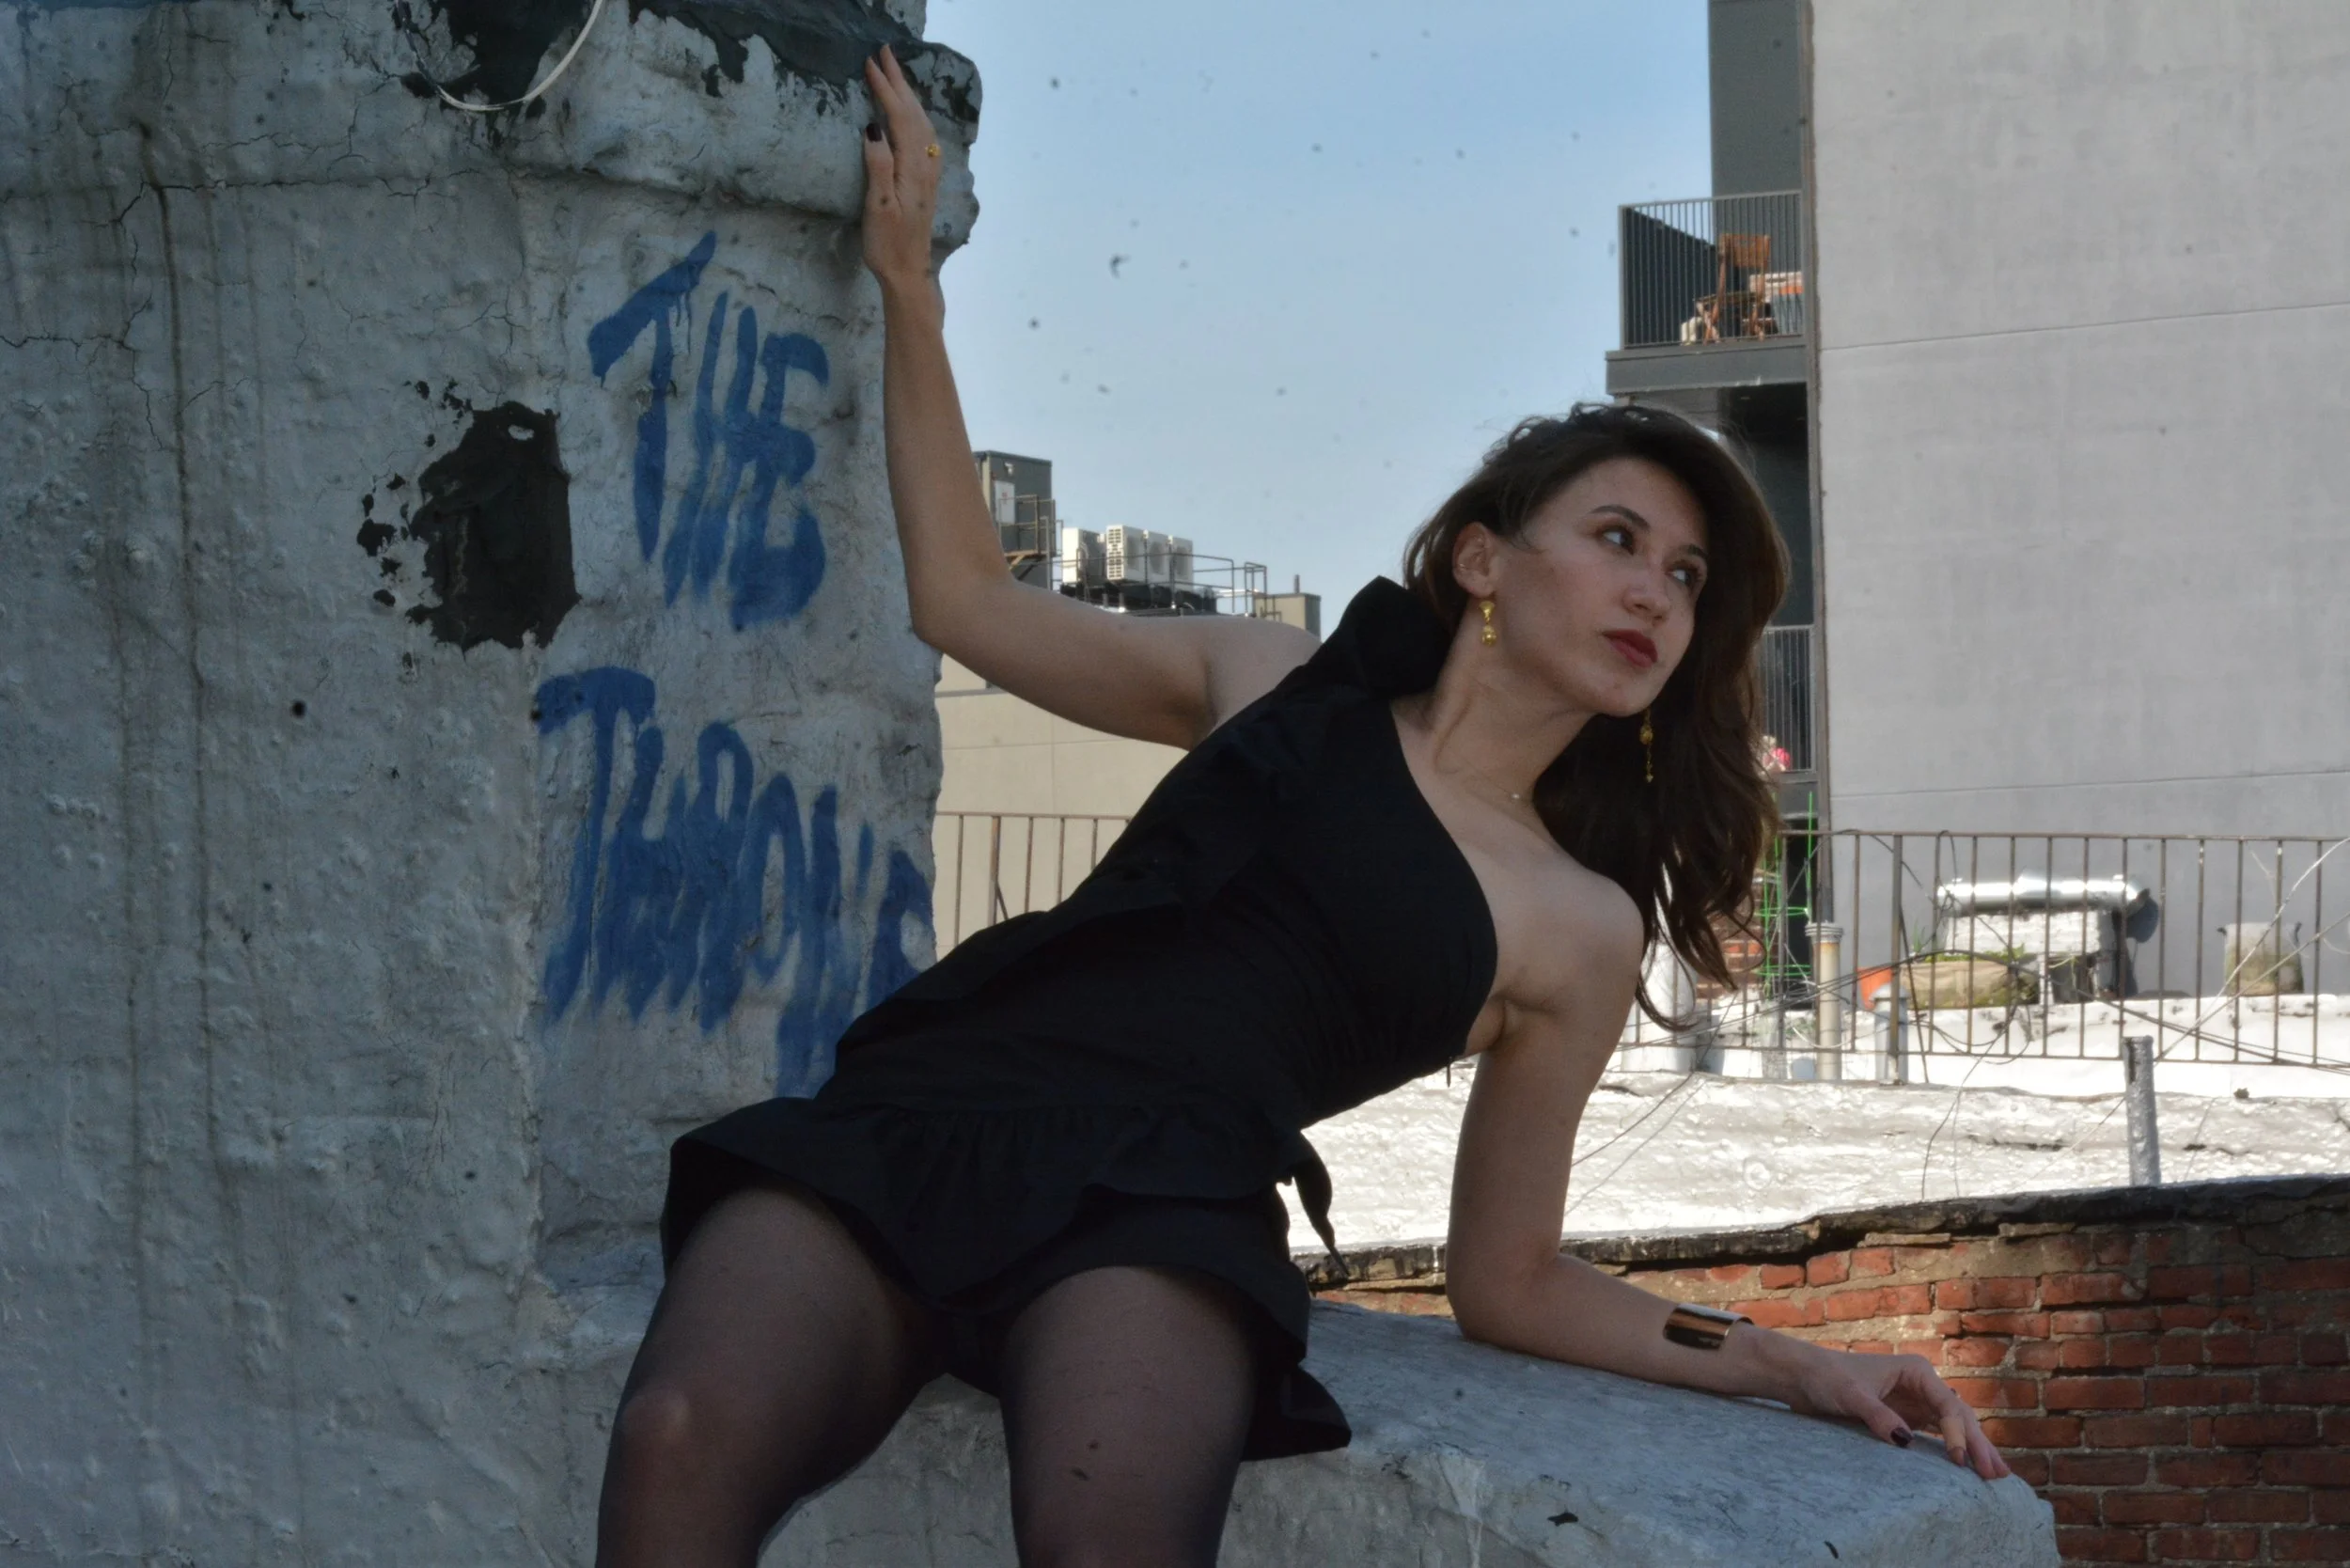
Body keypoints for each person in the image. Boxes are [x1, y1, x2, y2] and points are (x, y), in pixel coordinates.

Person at [594, 45, 2010, 1568]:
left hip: (1162, 1212)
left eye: (1685, 579)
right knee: (679, 1439)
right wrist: (909, 293)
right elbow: (962, 598)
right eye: (1617, 538)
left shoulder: (1576, 927)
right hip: (939, 1106)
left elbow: (1512, 1279)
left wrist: (1799, 1361)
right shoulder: (1273, 679)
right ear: (1483, 560)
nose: (1655, 595)